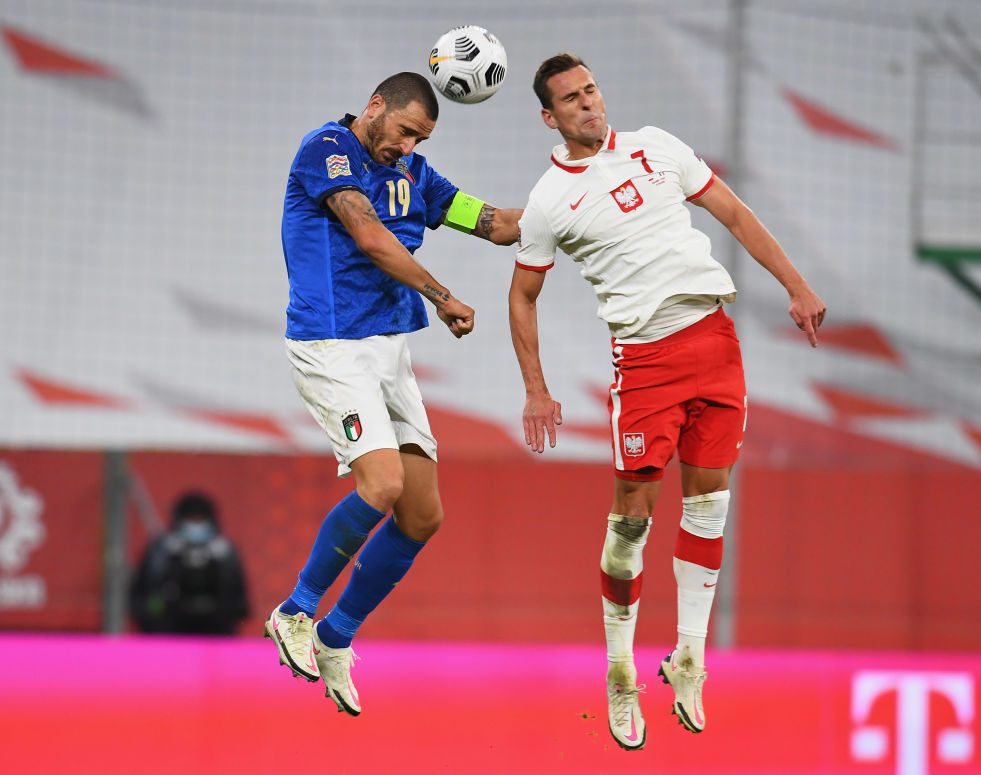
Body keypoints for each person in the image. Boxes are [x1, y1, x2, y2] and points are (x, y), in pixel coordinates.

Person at [509, 54, 826, 750]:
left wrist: (796, 286)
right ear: (549, 117)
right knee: (631, 523)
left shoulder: (658, 146)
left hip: (714, 340)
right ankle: (620, 672)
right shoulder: (547, 201)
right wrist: (536, 387)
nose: (588, 103)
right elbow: (523, 294)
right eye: (571, 98)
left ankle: (689, 657)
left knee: (710, 504)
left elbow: (735, 215)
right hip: (645, 363)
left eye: (591, 88)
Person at [269, 71, 521, 716]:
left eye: (421, 138)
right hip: (332, 345)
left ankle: (335, 636)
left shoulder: (417, 176)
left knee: (421, 515)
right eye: (405, 131)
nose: (407, 147)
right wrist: (442, 297)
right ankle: (296, 610)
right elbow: (371, 238)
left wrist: (575, 202)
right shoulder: (328, 150)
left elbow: (492, 222)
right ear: (375, 107)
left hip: (387, 352)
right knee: (380, 486)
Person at [129, 491, 250, 635]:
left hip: (217, 630)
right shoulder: (163, 548)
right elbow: (143, 593)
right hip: (168, 628)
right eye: (191, 519)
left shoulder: (224, 551)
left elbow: (239, 600)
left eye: (200, 519)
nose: (196, 525)